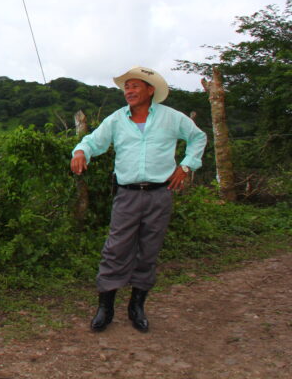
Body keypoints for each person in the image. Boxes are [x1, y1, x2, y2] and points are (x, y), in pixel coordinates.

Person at [70, 66, 207, 332]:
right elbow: (93, 141)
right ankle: (105, 308)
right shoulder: (117, 119)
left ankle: (137, 307)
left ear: (150, 90)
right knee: (115, 249)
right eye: (126, 87)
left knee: (149, 250)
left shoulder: (171, 118)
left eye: (135, 86)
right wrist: (80, 151)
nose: (129, 91)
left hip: (160, 194)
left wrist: (186, 166)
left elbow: (198, 137)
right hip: (127, 195)